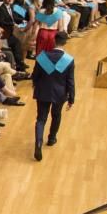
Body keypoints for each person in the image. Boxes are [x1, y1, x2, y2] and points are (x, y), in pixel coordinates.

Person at [32, 32, 75, 161]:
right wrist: (71, 98)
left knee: (41, 119)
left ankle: (38, 142)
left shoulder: (42, 57)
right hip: (60, 93)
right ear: (65, 42)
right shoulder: (69, 60)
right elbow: (70, 80)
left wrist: (35, 85)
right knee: (56, 115)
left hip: (43, 92)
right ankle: (51, 138)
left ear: (54, 41)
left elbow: (35, 75)